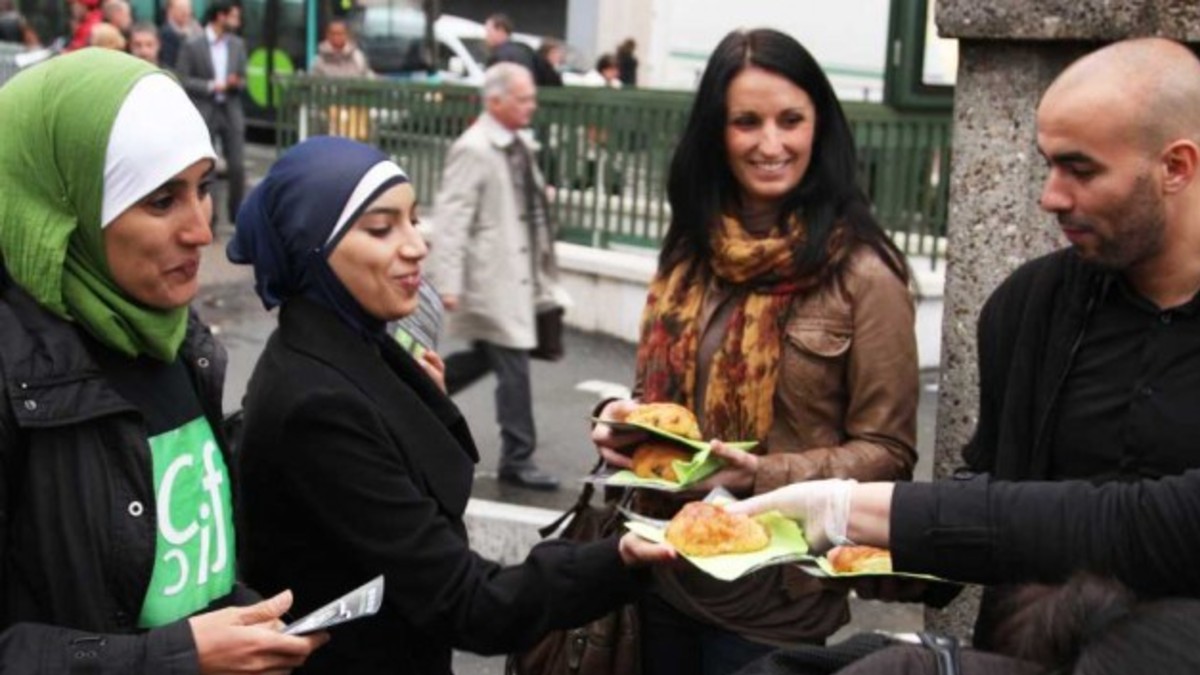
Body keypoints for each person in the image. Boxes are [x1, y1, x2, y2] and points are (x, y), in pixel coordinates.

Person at [228, 135, 674, 674]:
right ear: (312, 250)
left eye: (414, 220)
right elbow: (466, 603)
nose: (417, 244)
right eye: (380, 228)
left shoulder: (357, 345)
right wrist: (619, 557)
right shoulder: (317, 403)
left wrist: (418, 403)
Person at [591, 28, 918, 675]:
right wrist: (620, 421)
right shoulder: (689, 252)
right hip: (658, 572)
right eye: (747, 122)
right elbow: (662, 410)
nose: (772, 143)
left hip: (775, 601)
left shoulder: (864, 274)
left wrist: (757, 474)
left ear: (818, 127)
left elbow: (889, 453)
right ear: (718, 132)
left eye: (790, 120)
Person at [0, 48, 325, 673]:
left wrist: (246, 624)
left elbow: (187, 566)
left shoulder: (175, 337)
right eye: (160, 200)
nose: (202, 229)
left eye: (204, 188)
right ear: (66, 207)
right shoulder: (15, 371)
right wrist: (180, 657)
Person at [430, 63, 565, 491]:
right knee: (513, 364)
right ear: (495, 101)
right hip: (493, 279)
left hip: (517, 273)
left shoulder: (516, 144)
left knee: (486, 359)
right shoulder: (475, 148)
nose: (532, 106)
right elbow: (452, 218)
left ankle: (409, 393)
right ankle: (518, 456)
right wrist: (447, 282)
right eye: (523, 99)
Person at [175, 0, 246, 228]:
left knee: (237, 166)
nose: (237, 22)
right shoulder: (192, 44)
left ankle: (237, 219)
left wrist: (236, 82)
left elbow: (243, 79)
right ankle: (210, 220)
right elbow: (182, 78)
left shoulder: (237, 44)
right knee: (208, 168)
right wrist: (211, 86)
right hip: (205, 110)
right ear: (220, 17)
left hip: (231, 110)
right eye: (234, 16)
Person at [158, 0, 198, 69]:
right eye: (181, 8)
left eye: (188, 8)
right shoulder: (166, 34)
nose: (186, 12)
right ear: (169, 11)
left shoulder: (198, 30)